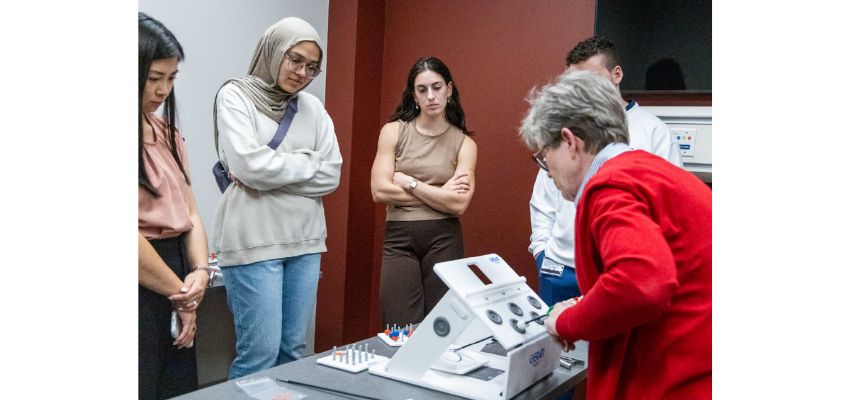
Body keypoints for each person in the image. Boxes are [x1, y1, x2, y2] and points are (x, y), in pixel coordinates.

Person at [520, 70, 711, 399]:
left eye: (543, 157)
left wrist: (566, 323)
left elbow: (641, 281)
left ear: (569, 142)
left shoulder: (610, 185)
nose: (547, 171)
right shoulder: (650, 170)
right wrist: (586, 302)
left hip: (676, 378)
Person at [212, 17, 342, 379]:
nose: (301, 72)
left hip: (306, 240)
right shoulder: (236, 95)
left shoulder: (313, 108)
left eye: (312, 67)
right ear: (274, 51)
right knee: (260, 354)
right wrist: (306, 163)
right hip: (254, 240)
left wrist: (270, 172)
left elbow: (332, 174)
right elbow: (249, 167)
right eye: (295, 59)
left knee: (293, 352)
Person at [529, 36, 682, 308]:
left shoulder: (652, 132)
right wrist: (542, 252)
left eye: (591, 81)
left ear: (616, 74)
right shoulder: (564, 132)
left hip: (616, 270)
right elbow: (544, 193)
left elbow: (667, 210)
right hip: (560, 267)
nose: (584, 92)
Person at [371, 56, 477, 325]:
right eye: (422, 89)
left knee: (441, 327)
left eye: (437, 87)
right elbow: (380, 191)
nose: (431, 96)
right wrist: (441, 193)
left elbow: (458, 205)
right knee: (398, 326)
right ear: (414, 95)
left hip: (444, 238)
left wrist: (409, 182)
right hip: (399, 239)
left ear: (449, 90)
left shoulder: (464, 143)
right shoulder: (393, 132)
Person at [138, 12, 211, 399]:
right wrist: (182, 294)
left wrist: (199, 273)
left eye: (171, 78)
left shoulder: (167, 133)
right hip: (144, 275)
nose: (164, 89)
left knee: (178, 387)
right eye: (154, 78)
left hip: (178, 272)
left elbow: (191, 213)